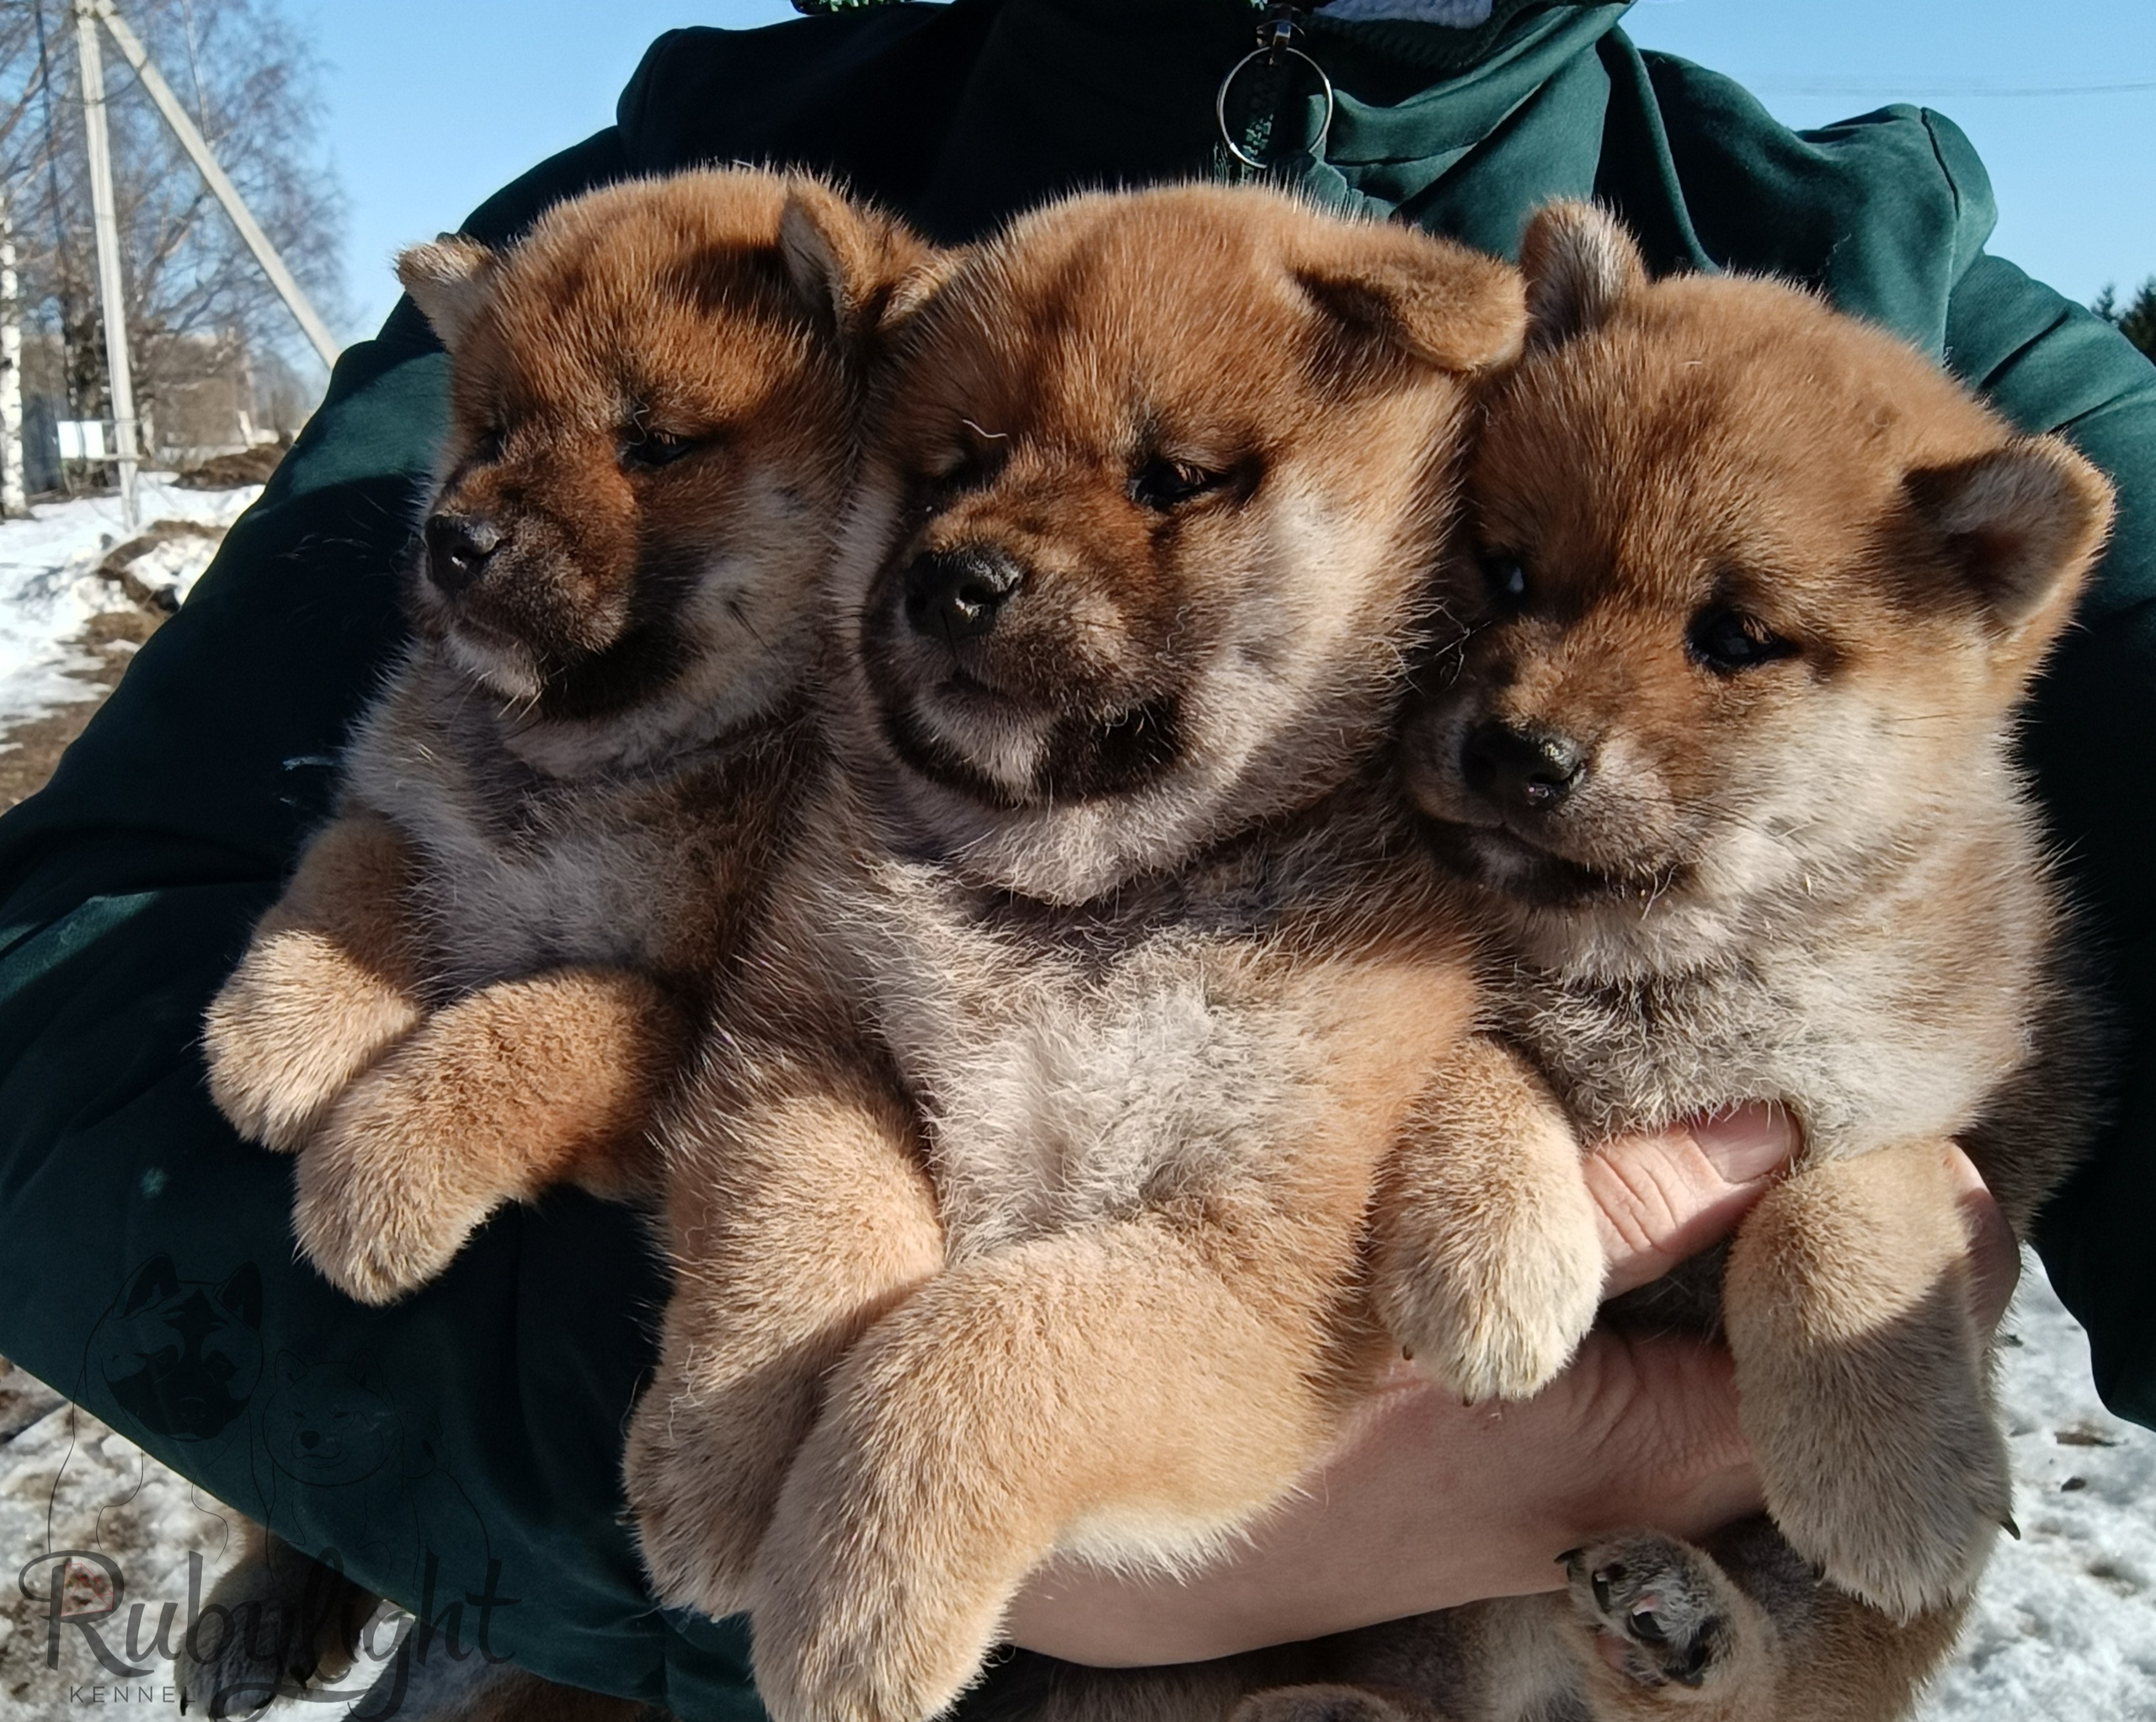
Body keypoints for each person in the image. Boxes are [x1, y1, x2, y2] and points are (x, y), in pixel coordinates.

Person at [0, 1, 2143, 1712]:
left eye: (1181, 478)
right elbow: (57, 998)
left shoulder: (1895, 307)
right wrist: (710, 1461)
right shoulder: (716, 219)